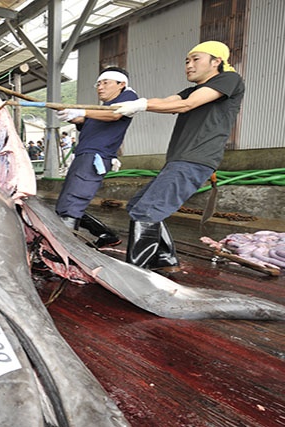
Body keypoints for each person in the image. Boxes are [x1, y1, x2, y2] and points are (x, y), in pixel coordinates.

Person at [113, 41, 244, 272]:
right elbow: (168, 102)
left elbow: (187, 105)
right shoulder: (192, 90)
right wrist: (136, 103)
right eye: (186, 61)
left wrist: (142, 106)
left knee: (146, 211)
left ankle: (134, 273)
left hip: (195, 158)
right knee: (138, 205)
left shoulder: (229, 80)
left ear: (216, 62)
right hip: (179, 159)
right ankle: (165, 259)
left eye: (196, 59)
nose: (189, 65)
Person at [55, 66, 138, 247]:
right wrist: (70, 116)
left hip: (95, 155)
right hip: (84, 153)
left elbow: (114, 115)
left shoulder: (128, 97)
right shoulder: (102, 108)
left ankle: (63, 251)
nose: (100, 87)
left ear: (121, 84)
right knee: (67, 202)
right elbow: (87, 121)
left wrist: (81, 112)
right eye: (98, 84)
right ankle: (107, 236)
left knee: (72, 202)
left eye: (105, 83)